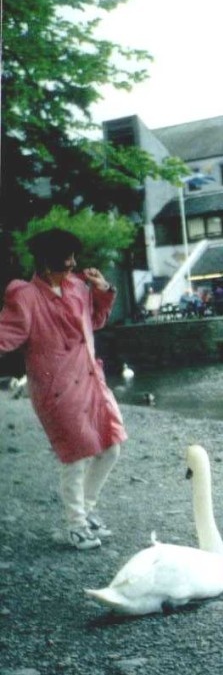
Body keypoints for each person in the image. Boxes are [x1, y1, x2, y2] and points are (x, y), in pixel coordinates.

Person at [0, 228, 127, 550]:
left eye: (73, 256)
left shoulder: (78, 288)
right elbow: (7, 336)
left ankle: (87, 512)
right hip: (56, 388)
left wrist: (104, 290)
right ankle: (76, 525)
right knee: (77, 456)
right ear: (46, 261)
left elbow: (95, 322)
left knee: (111, 448)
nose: (72, 263)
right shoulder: (24, 295)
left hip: (89, 380)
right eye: (65, 258)